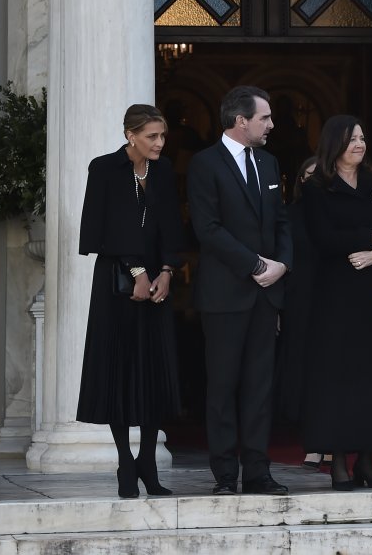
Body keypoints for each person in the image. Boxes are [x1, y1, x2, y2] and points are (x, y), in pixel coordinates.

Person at [188, 85, 292, 496]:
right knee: (223, 387)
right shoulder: (204, 163)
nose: (271, 125)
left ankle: (258, 472)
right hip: (225, 295)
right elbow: (207, 228)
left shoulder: (269, 162)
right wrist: (255, 265)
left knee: (259, 389)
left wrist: (282, 265)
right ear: (240, 120)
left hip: (266, 294)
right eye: (264, 118)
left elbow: (282, 221)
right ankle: (225, 476)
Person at [77, 104, 185, 499]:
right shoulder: (104, 168)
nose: (160, 143)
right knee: (119, 370)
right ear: (131, 135)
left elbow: (172, 223)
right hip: (116, 283)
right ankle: (125, 461)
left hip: (157, 283)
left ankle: (147, 462)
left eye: (162, 135)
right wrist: (136, 270)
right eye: (152, 136)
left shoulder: (163, 170)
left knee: (153, 372)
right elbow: (100, 225)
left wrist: (168, 271)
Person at [299, 116, 372, 489]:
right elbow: (322, 238)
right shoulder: (317, 188)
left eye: (361, 137)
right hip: (334, 299)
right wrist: (371, 237)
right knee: (338, 380)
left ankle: (367, 462)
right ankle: (339, 462)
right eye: (351, 139)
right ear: (335, 144)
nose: (360, 144)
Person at [277, 157, 323, 470]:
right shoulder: (288, 215)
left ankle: (330, 442)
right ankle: (313, 443)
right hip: (298, 302)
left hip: (334, 300)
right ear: (300, 181)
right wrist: (278, 307)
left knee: (331, 372)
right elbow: (280, 260)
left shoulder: (338, 212)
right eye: (308, 176)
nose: (314, 180)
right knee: (304, 373)